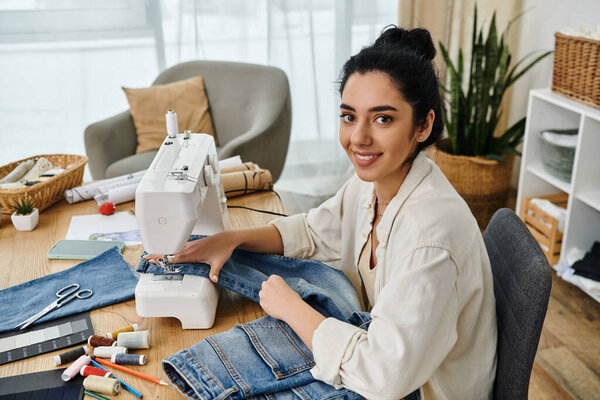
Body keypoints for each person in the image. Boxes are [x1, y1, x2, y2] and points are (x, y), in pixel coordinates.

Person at [145, 26, 497, 400]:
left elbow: (384, 377)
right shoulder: (374, 182)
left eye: (382, 119)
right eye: (349, 116)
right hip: (384, 357)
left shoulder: (431, 237)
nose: (358, 138)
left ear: (423, 125)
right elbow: (315, 232)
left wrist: (294, 310)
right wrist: (233, 238)